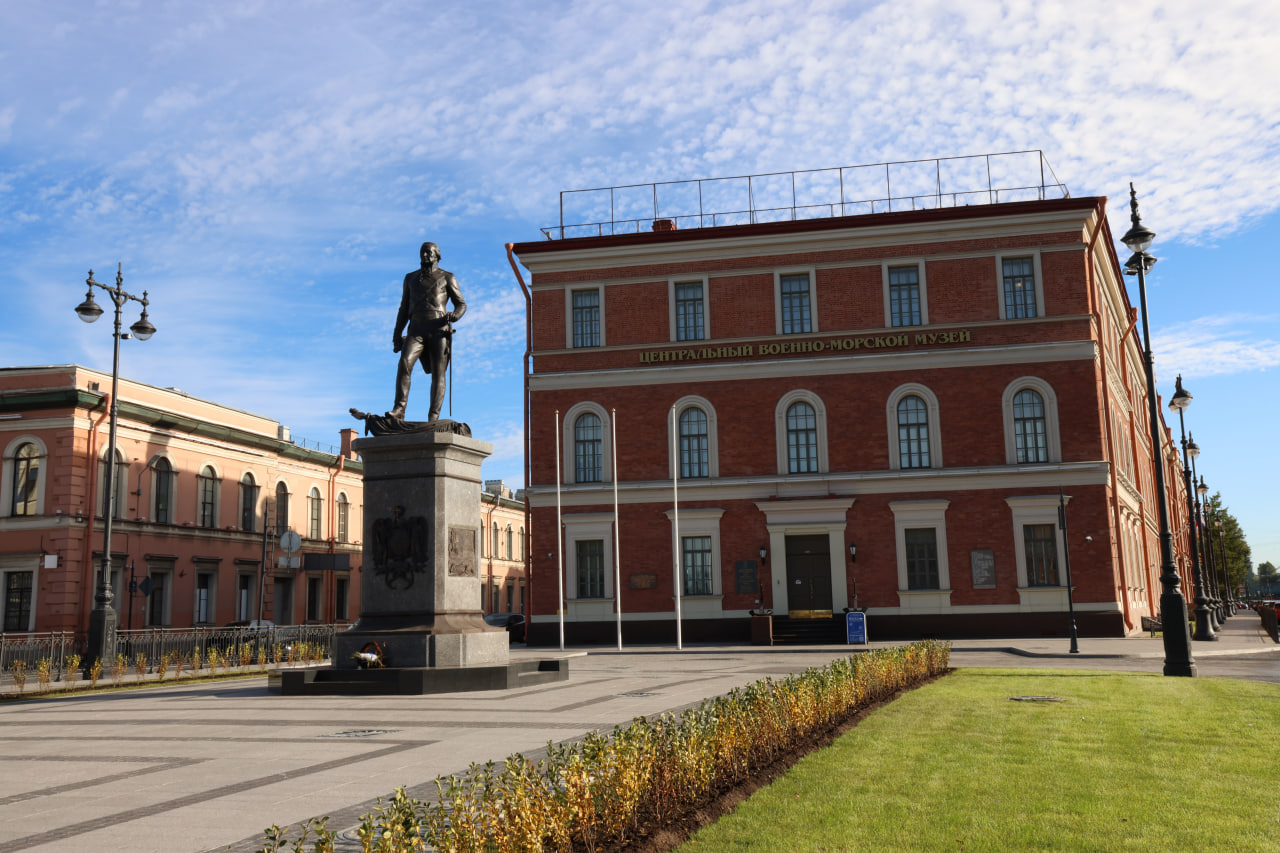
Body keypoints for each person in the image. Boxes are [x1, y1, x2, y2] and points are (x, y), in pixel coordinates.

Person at [388, 242, 466, 421]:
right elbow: (403, 309)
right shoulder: (410, 278)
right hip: (416, 328)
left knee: (439, 373)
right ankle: (399, 409)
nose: (424, 255)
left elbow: (461, 304)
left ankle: (433, 416)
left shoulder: (448, 277)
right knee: (404, 363)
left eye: (428, 252)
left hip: (438, 328)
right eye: (422, 252)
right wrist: (396, 335)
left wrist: (455, 315)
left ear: (437, 255)